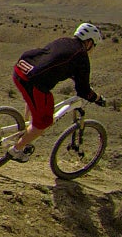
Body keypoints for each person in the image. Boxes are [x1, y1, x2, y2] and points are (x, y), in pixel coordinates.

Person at [7, 23, 106, 162]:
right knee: (45, 122)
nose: (93, 49)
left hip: (21, 69)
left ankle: (27, 128)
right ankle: (16, 150)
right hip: (35, 82)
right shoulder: (82, 56)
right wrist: (97, 98)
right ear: (89, 42)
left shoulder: (64, 41)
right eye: (94, 45)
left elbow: (53, 61)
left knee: (33, 100)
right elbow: (83, 90)